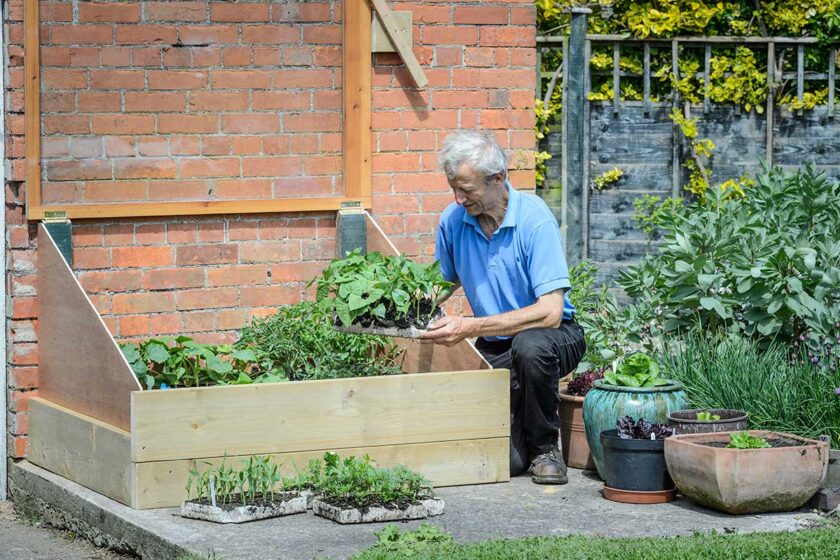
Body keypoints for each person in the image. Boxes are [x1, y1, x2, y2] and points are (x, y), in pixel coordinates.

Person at [419, 130, 586, 485]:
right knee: (505, 462)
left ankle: (546, 449)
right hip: (496, 346)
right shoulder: (453, 220)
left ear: (498, 179)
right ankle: (524, 442)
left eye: (467, 189)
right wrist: (406, 309)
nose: (458, 198)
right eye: (453, 187)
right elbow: (443, 281)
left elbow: (551, 311)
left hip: (554, 338)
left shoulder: (533, 219)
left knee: (531, 346)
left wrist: (469, 327)